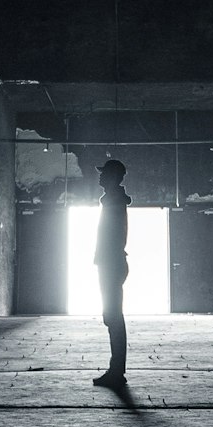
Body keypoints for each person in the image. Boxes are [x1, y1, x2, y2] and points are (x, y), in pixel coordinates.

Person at [93, 158, 130, 388]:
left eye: (104, 172)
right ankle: (116, 369)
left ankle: (117, 371)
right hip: (111, 262)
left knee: (114, 316)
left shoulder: (114, 202)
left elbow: (112, 236)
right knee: (112, 316)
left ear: (113, 177)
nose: (100, 176)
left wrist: (107, 261)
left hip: (111, 263)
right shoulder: (112, 201)